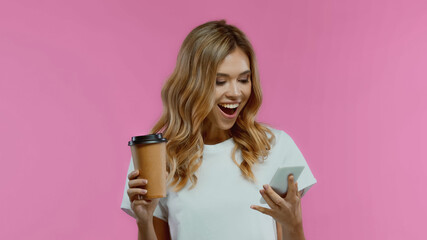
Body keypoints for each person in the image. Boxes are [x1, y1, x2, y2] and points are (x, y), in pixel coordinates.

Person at [121, 20, 317, 240]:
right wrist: (144, 221)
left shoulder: (275, 146)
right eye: (220, 81)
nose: (235, 93)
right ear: (192, 83)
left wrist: (294, 223)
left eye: (244, 79)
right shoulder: (160, 156)